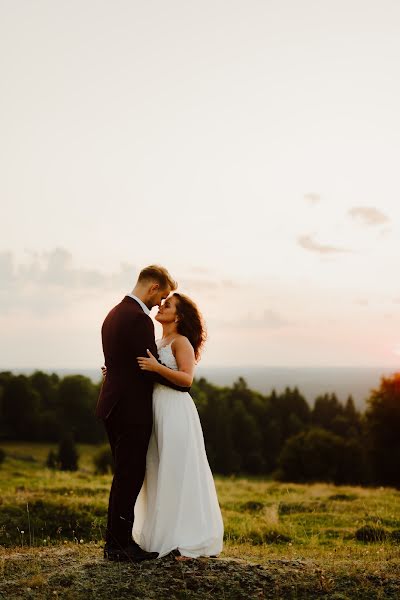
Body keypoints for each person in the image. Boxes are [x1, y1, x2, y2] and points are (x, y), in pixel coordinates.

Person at [95, 265, 190, 562]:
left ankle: (115, 542)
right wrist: (181, 386)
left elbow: (122, 362)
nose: (158, 303)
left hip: (113, 403)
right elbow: (145, 367)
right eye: (160, 296)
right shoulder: (138, 319)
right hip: (130, 408)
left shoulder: (113, 313)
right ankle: (119, 545)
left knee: (124, 474)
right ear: (152, 288)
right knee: (130, 475)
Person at [133, 293, 224, 559]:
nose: (161, 306)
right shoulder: (158, 340)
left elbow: (186, 379)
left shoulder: (181, 341)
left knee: (176, 470)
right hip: (156, 408)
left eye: (167, 305)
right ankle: (161, 536)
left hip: (174, 410)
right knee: (157, 468)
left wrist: (156, 368)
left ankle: (186, 537)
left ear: (179, 316)